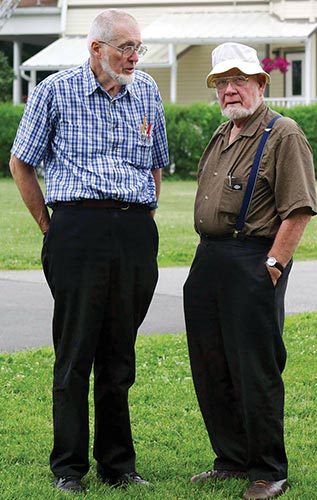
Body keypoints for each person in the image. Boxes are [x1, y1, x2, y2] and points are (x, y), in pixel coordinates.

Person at [10, 9, 169, 493]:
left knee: (120, 355)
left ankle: (118, 466)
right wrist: (48, 226)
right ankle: (69, 468)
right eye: (126, 47)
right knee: (76, 352)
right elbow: (21, 163)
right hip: (77, 230)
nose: (134, 56)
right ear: (96, 48)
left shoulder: (146, 92)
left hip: (134, 231)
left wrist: (143, 218)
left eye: (138, 47)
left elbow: (157, 163)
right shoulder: (55, 91)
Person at [183, 42, 317, 500]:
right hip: (209, 260)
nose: (230, 90)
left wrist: (274, 266)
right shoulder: (222, 135)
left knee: (255, 369)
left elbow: (297, 211)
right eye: (222, 83)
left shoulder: (284, 134)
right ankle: (231, 460)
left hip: (253, 260)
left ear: (261, 84)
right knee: (211, 364)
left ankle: (268, 470)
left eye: (239, 80)